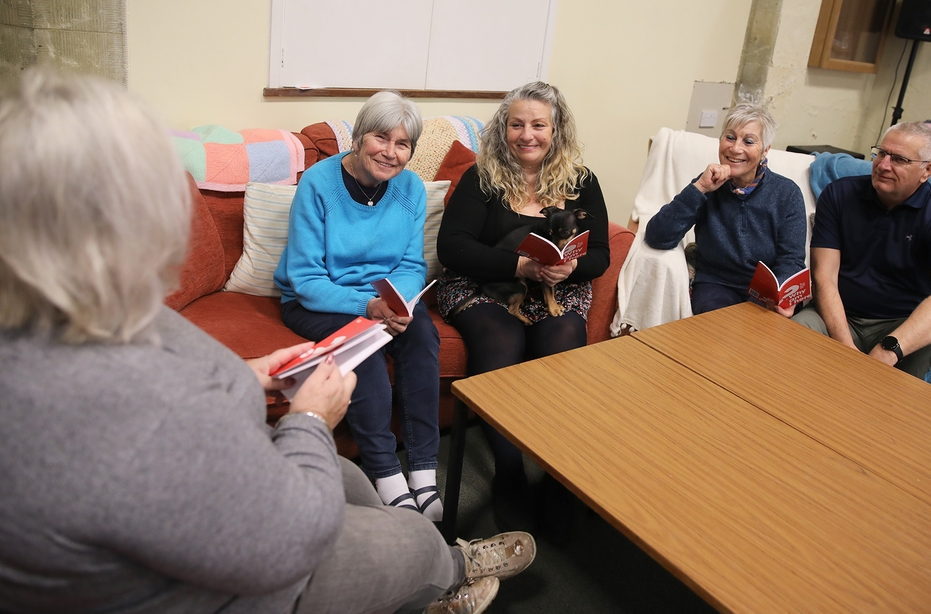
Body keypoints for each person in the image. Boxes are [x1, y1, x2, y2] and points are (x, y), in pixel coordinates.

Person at [0, 69, 536, 614]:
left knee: (348, 476)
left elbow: (174, 374)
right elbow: (284, 541)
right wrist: (307, 423)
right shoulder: (127, 412)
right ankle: (446, 572)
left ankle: (412, 492)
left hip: (221, 502)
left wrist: (250, 374)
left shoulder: (88, 315)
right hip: (246, 577)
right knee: (415, 538)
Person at [436, 81, 610, 538]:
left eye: (538, 125)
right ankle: (509, 472)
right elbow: (452, 247)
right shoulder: (482, 177)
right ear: (503, 128)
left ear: (557, 130)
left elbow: (601, 256)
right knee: (503, 339)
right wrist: (520, 265)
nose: (526, 134)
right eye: (517, 124)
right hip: (482, 285)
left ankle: (557, 475)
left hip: (557, 288)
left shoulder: (581, 182)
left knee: (562, 341)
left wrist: (566, 269)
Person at [274, 91, 444, 521]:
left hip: (384, 299)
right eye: (380, 138)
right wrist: (367, 307)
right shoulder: (318, 183)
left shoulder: (410, 189)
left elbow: (409, 263)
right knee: (364, 352)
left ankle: (424, 471)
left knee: (423, 334)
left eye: (402, 144)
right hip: (317, 299)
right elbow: (306, 280)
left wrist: (399, 302)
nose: (390, 152)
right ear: (358, 136)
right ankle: (386, 475)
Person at [792, 121, 931, 379]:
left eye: (899, 159)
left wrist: (887, 350)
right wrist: (846, 350)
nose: (883, 165)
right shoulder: (840, 194)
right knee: (796, 331)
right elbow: (823, 278)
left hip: (900, 324)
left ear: (927, 170)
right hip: (838, 313)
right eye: (881, 153)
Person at [644, 103, 806, 316]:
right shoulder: (705, 185)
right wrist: (700, 188)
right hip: (717, 284)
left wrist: (781, 296)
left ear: (766, 149)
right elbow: (657, 237)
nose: (736, 148)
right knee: (718, 327)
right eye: (730, 137)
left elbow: (792, 259)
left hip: (765, 294)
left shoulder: (787, 193)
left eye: (748, 141)